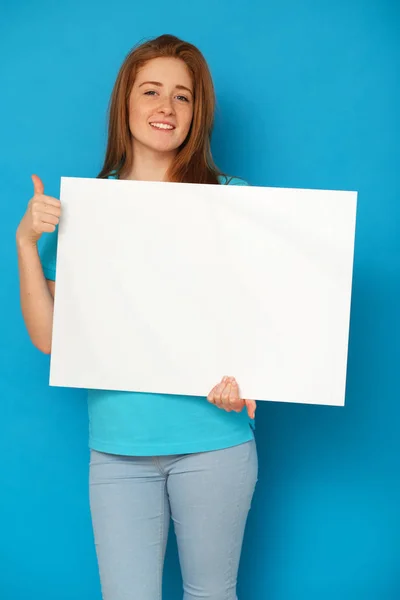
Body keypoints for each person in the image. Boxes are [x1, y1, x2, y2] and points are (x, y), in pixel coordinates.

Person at [16, 34, 258, 600]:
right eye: (151, 92)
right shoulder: (84, 209)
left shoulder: (234, 200)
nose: (166, 108)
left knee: (211, 595)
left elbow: (256, 327)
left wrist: (248, 380)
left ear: (198, 113)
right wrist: (27, 245)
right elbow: (50, 339)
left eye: (183, 96)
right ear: (125, 102)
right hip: (118, 448)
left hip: (215, 442)